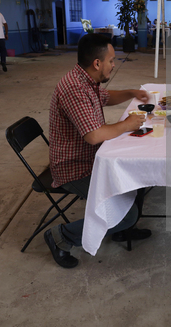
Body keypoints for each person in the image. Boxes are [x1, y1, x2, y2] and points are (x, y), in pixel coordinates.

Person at [44, 34, 151, 269]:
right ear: (97, 63)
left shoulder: (87, 80)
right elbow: (93, 136)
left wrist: (132, 92)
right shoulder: (74, 88)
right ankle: (62, 235)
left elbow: (106, 96)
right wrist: (127, 125)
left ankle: (121, 231)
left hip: (91, 157)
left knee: (139, 173)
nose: (114, 65)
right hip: (74, 167)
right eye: (111, 60)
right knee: (127, 214)